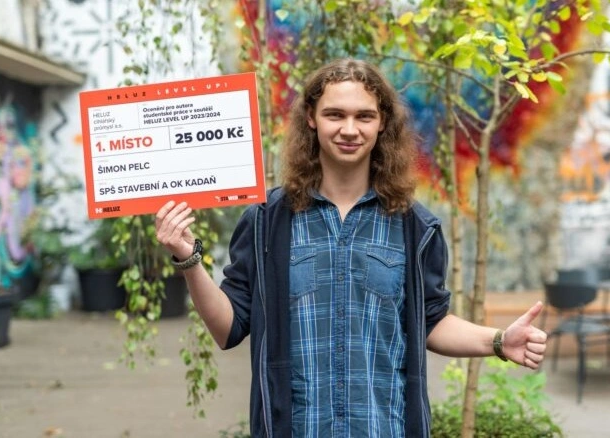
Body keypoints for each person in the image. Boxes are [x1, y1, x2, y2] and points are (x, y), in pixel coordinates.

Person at [155, 58, 547, 437]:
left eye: (364, 116)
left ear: (382, 123)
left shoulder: (415, 227)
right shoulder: (266, 221)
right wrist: (189, 259)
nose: (349, 129)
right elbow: (228, 328)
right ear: (312, 118)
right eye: (335, 115)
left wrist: (498, 341)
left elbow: (431, 322)